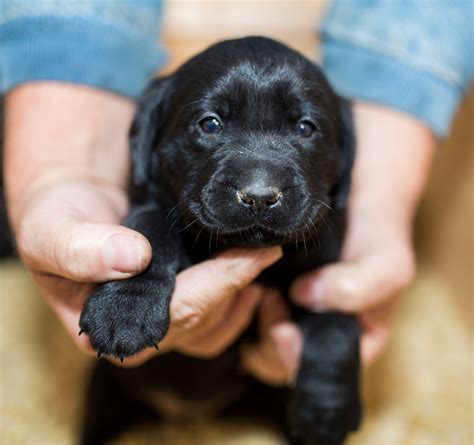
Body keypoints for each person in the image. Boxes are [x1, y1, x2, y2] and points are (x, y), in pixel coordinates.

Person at [1, 0, 472, 384]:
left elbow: (334, 303)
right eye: (209, 124)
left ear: (345, 154)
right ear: (148, 140)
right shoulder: (156, 198)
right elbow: (146, 215)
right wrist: (60, 173)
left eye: (305, 127)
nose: (261, 187)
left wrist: (377, 210)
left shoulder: (327, 221)